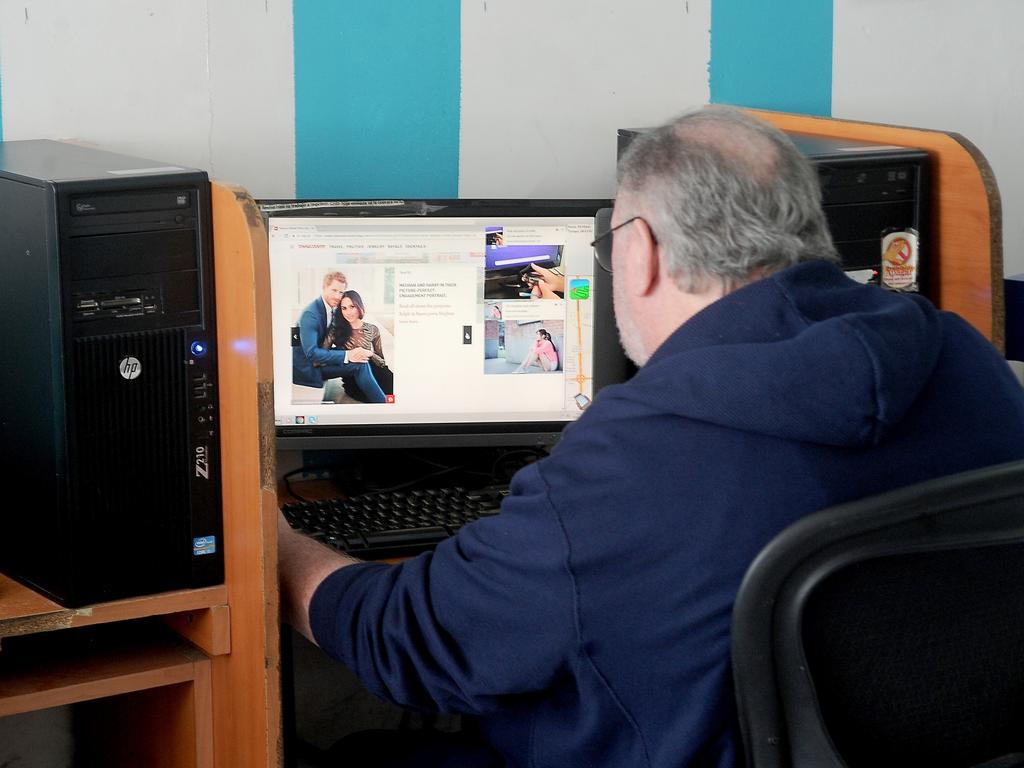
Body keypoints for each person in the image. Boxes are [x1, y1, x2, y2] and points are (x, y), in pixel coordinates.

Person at [278, 105, 1024, 767]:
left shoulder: (639, 454)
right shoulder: (968, 361)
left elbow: (413, 641)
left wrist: (273, 544)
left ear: (643, 253)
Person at [292, 271, 387, 404]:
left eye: (341, 292)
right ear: (324, 287)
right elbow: (311, 354)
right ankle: (383, 405)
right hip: (309, 367)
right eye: (334, 290)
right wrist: (347, 355)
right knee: (360, 365)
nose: (337, 296)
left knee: (360, 355)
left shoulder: (332, 308)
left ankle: (381, 399)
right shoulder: (310, 314)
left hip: (322, 356)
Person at [337, 289, 394, 401]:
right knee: (380, 398)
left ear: (359, 306)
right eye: (344, 308)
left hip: (374, 368)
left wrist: (369, 353)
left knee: (394, 389)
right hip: (353, 376)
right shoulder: (336, 331)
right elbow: (323, 355)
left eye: (352, 306)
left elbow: (382, 362)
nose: (348, 312)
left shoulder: (372, 329)